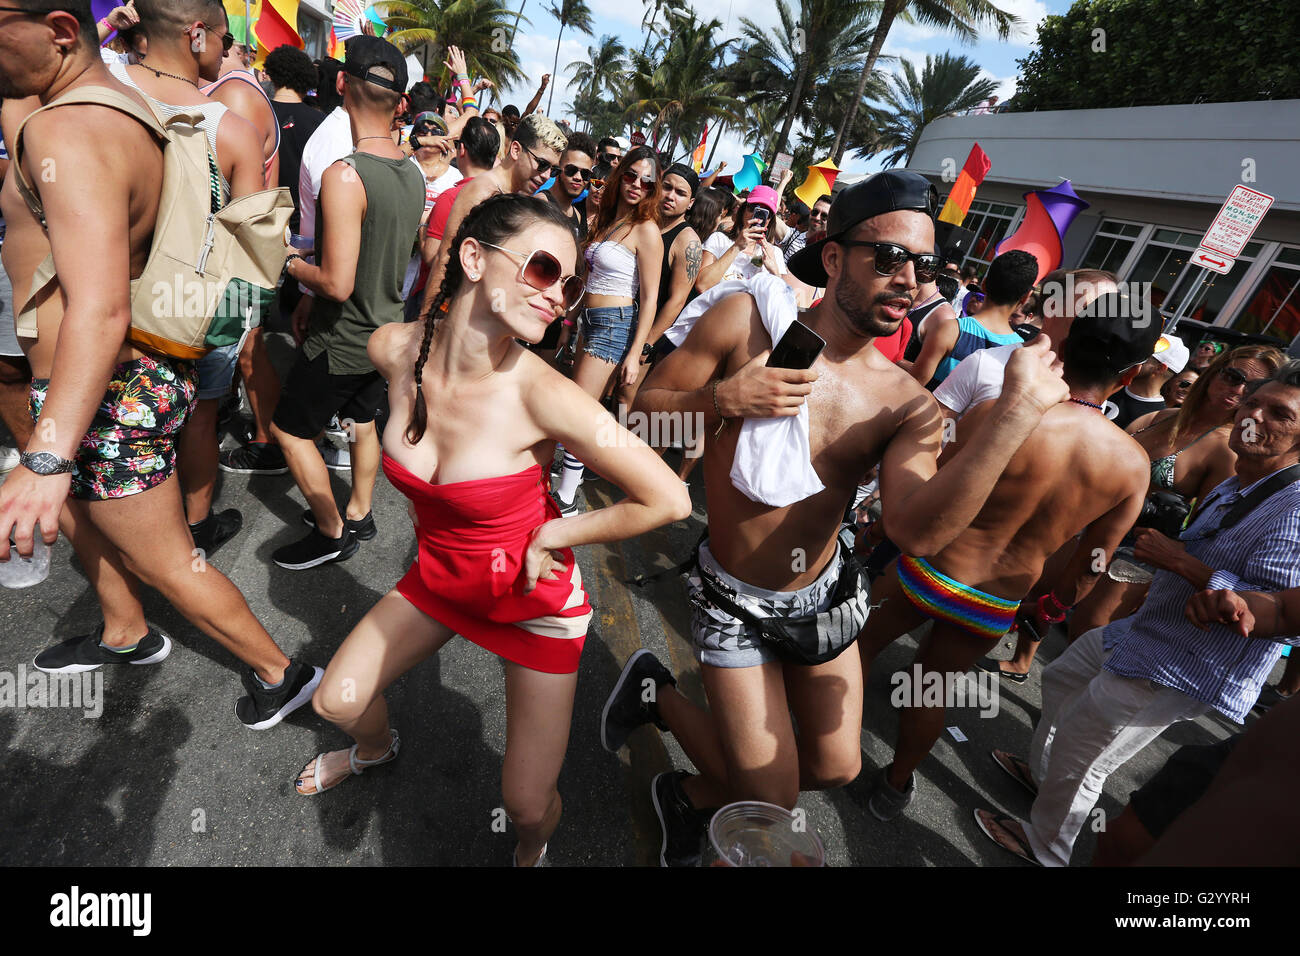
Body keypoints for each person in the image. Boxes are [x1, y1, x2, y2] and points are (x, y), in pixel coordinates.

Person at [597, 170, 1068, 866]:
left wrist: (1017, 414)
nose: (908, 278)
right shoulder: (745, 323)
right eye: (889, 257)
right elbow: (638, 415)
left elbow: (917, 532)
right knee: (773, 795)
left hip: (825, 598)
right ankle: (661, 697)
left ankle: (692, 789)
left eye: (925, 265)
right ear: (833, 257)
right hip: (733, 599)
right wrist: (724, 399)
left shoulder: (905, 403)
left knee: (837, 768)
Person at [291, 194, 690, 870]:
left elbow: (670, 497)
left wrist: (556, 537)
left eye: (570, 285)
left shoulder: (544, 393)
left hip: (533, 606)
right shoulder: (393, 349)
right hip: (441, 582)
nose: (559, 296)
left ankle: (534, 849)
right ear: (473, 257)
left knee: (528, 806)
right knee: (339, 699)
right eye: (541, 270)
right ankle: (375, 750)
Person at [0, 0, 320, 728]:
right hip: (119, 375)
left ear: (56, 31)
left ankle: (285, 673)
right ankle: (125, 631)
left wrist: (46, 455)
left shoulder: (72, 128)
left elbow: (103, 307)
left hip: (111, 383)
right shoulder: (117, 105)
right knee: (98, 523)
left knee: (171, 560)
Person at [975, 361, 1300, 866]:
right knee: (1062, 677)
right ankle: (1045, 779)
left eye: (1279, 412)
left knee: (1085, 754)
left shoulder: (1295, 506)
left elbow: (1275, 607)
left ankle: (1048, 847)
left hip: (1187, 663)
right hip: (1148, 632)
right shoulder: (1245, 480)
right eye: (1253, 402)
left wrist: (1182, 563)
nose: (1253, 415)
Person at [856, 291, 1157, 820]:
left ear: (1063, 347)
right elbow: (1094, 562)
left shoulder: (1002, 414)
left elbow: (935, 486)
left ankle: (813, 739)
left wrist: (882, 524)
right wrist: (1052, 609)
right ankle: (895, 785)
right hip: (995, 602)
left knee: (856, 652)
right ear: (1130, 378)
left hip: (930, 570)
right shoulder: (1132, 466)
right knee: (929, 690)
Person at [101, 0, 267, 556]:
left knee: (107, 423)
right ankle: (194, 526)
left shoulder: (102, 85)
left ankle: (121, 525)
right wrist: (228, 332)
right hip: (185, 303)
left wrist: (109, 30)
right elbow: (252, 252)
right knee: (197, 416)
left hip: (94, 296)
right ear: (197, 34)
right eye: (222, 39)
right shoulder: (233, 131)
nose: (225, 53)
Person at [272, 36, 425, 570]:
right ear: (402, 104)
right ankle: (358, 511)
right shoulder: (413, 174)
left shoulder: (345, 173)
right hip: (386, 332)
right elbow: (377, 246)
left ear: (340, 83)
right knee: (364, 423)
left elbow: (336, 283)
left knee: (288, 430)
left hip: (341, 338)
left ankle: (333, 530)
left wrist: (286, 261)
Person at [215, 43, 324, 479]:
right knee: (265, 340)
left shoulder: (247, 107)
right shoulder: (320, 123)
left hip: (253, 244)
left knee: (248, 345)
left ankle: (268, 438)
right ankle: (274, 430)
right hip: (291, 240)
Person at [550, 145, 663, 516]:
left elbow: (649, 300)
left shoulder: (647, 231)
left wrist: (636, 353)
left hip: (614, 326)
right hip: (589, 321)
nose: (636, 185)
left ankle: (566, 496)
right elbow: (588, 277)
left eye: (647, 181)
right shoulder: (610, 220)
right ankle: (568, 482)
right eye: (630, 175)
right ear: (620, 176)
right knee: (579, 406)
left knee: (579, 411)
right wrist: (569, 322)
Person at [419, 112, 567, 316]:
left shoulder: (517, 197)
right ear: (516, 150)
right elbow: (445, 259)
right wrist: (427, 323)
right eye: (541, 164)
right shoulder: (482, 192)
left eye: (554, 170)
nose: (546, 176)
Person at [933, 268, 1119, 421]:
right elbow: (939, 426)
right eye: (1091, 307)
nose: (1101, 319)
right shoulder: (985, 363)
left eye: (1109, 312)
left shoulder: (1093, 397)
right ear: (1052, 306)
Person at [908, 249, 1038, 388]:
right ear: (1026, 297)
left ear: (984, 284)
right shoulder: (1020, 354)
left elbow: (913, 386)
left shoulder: (951, 330)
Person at [413, 115, 499, 319]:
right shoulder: (501, 200)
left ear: (462, 150)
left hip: (435, 302)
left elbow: (431, 256)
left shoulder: (451, 198)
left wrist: (423, 223)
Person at [694, 185, 792, 292]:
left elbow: (780, 301)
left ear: (770, 220)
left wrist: (775, 271)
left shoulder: (774, 253)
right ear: (744, 209)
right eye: (753, 207)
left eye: (766, 213)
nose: (757, 216)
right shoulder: (719, 239)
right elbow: (702, 285)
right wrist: (736, 247)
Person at [1105, 332, 1188, 427]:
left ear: (1160, 368)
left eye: (1142, 357)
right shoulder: (1108, 384)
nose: (1131, 359)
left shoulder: (1154, 419)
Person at [539, 129, 594, 241]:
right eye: (571, 170)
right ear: (559, 166)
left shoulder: (578, 217)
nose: (578, 177)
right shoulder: (540, 205)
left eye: (585, 174)